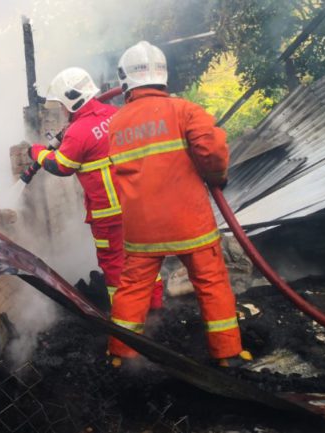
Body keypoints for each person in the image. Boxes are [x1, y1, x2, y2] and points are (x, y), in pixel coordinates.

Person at [106, 41, 252, 368]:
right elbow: (212, 151)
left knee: (132, 289)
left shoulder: (117, 123)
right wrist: (217, 177)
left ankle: (119, 354)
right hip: (190, 222)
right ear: (163, 75)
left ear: (126, 79)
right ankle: (227, 354)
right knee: (211, 282)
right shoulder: (185, 110)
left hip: (142, 228)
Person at [28, 67, 163, 309]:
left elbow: (61, 166)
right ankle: (155, 309)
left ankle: (126, 325)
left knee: (114, 266)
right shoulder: (115, 114)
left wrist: (37, 153)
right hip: (138, 205)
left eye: (62, 103)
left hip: (109, 215)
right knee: (145, 258)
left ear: (71, 99)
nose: (61, 109)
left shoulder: (78, 133)